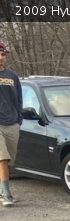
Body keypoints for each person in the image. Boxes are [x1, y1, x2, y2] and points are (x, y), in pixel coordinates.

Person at [0, 40, 22, 207]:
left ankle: (2, 190)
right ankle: (7, 195)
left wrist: (19, 118)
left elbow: (19, 98)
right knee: (2, 159)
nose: (1, 57)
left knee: (8, 162)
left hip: (12, 123)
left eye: (3, 54)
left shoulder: (12, 76)